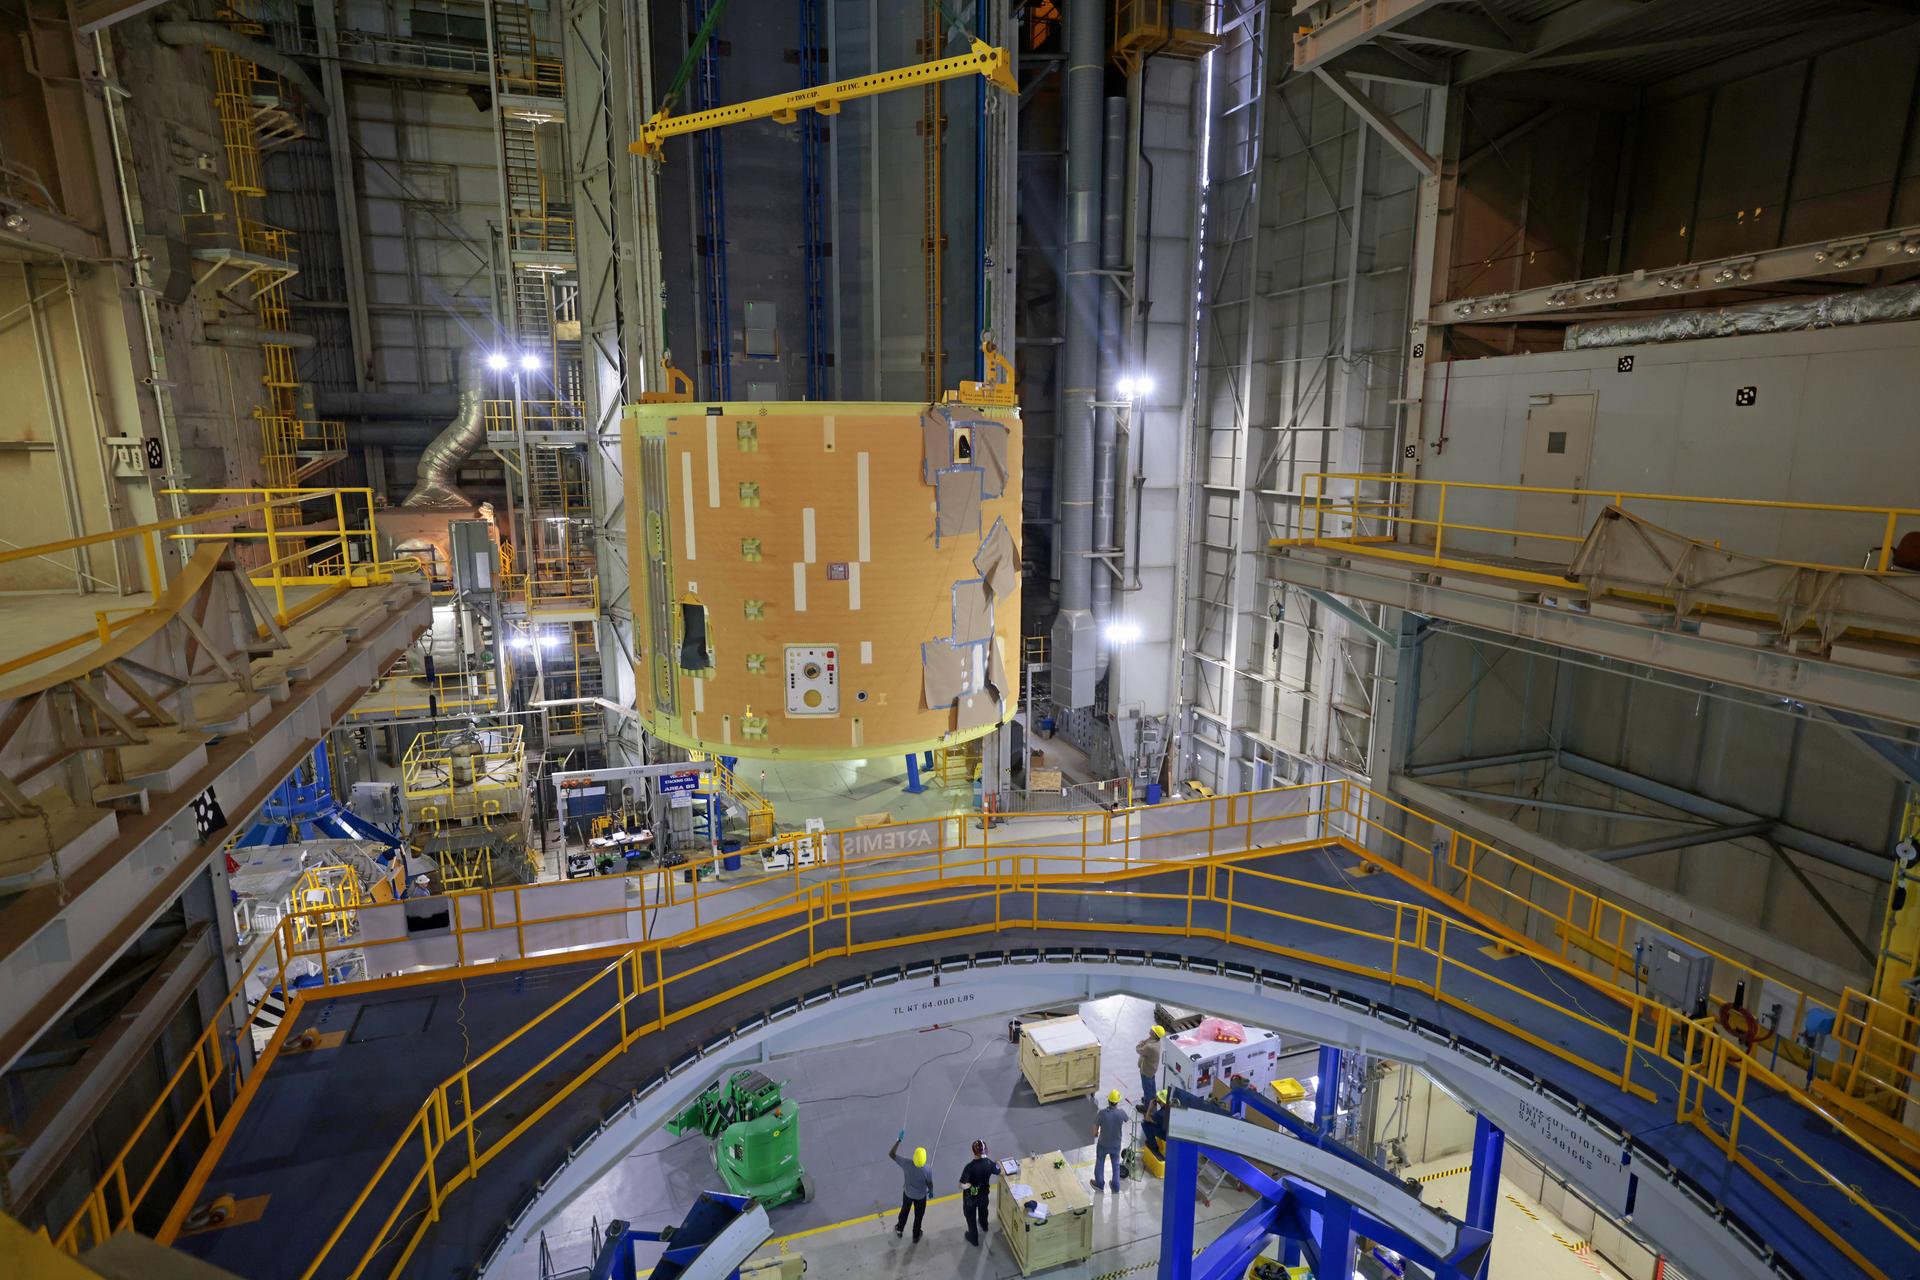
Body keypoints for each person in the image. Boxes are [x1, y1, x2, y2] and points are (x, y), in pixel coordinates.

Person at [888, 1131, 933, 1241]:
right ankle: (916, 1235)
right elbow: (929, 1183)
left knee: (904, 1211)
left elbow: (891, 1154)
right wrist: (931, 1191)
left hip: (908, 1194)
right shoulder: (927, 1169)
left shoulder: (906, 1163)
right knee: (918, 1216)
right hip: (920, 1197)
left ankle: (899, 1229)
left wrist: (899, 1140)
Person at [958, 1138, 996, 1246]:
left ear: (973, 1152)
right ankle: (984, 1225)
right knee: (983, 1211)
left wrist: (969, 1185)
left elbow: (961, 1185)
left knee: (970, 1217)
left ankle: (973, 1238)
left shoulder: (969, 1167)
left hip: (971, 1198)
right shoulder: (989, 1163)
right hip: (983, 1195)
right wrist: (997, 1163)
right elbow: (998, 1170)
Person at [1091, 1088, 1129, 1190]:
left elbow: (1095, 1127)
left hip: (1103, 1144)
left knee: (1100, 1162)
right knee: (1116, 1166)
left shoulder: (1102, 1113)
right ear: (1117, 1102)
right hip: (1116, 1145)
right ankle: (1116, 1186)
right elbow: (1127, 1119)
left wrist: (1095, 1134)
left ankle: (1099, 1184)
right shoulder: (1121, 1113)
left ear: (1108, 1101)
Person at [1136, 1025, 1165, 1110]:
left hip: (1146, 1071)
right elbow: (1148, 1042)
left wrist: (1141, 1042)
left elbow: (1138, 1049)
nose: (1151, 1029)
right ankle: (1150, 1101)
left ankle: (1147, 1107)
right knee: (1152, 1088)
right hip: (1152, 1070)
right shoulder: (1156, 1041)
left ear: (1155, 1035)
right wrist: (1146, 1041)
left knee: (1147, 1089)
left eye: (1153, 1030)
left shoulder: (1150, 1047)